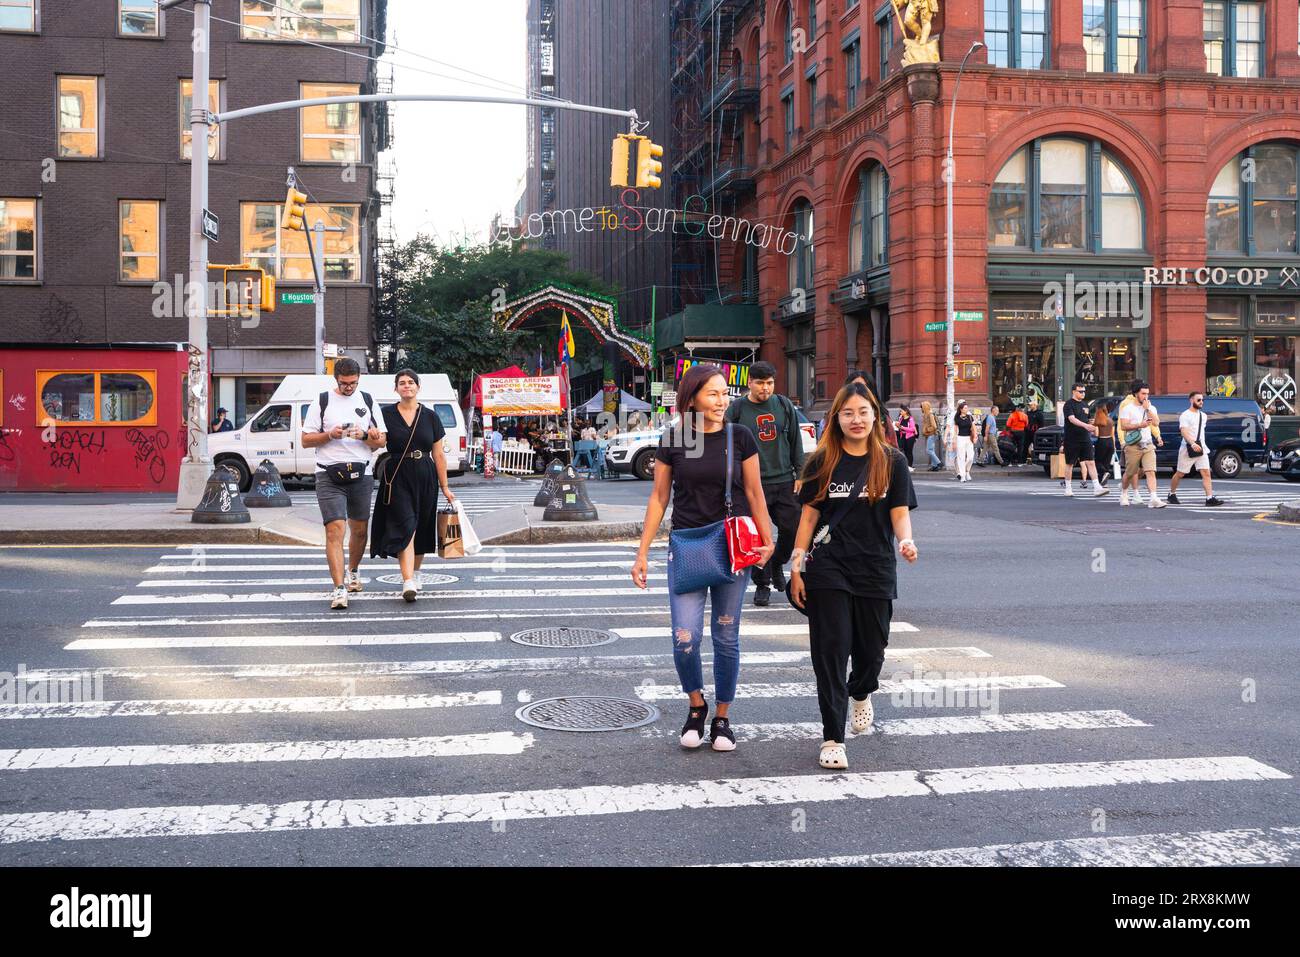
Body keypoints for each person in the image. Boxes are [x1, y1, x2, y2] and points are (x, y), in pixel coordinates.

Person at [631, 364, 775, 753]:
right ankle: (697, 706)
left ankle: (723, 718)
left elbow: (754, 492)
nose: (721, 399)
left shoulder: (739, 436)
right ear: (691, 397)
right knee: (685, 639)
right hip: (687, 546)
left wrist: (768, 539)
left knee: (726, 636)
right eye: (712, 393)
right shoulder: (675, 438)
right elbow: (659, 498)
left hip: (732, 550)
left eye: (725, 392)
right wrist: (642, 552)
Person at [788, 383, 918, 770]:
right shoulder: (821, 461)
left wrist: (906, 541)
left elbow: (899, 512)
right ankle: (832, 737)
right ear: (836, 419)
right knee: (830, 652)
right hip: (829, 568)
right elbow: (809, 517)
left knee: (871, 652)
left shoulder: (891, 461)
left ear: (875, 415)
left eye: (862, 412)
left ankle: (862, 691)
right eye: (848, 413)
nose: (856, 419)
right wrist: (796, 567)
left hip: (875, 566)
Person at [301, 357, 386, 610]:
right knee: (334, 530)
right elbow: (306, 440)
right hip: (328, 474)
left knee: (360, 530)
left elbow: (380, 442)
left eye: (353, 383)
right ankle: (339, 589)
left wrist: (367, 436)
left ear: (359, 379)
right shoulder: (322, 400)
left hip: (361, 473)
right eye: (344, 383)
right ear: (335, 379)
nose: (349, 387)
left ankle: (354, 570)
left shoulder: (368, 400)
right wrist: (329, 435)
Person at [370, 369, 457, 601]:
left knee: (422, 525)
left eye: (410, 382)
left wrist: (446, 487)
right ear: (396, 388)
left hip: (426, 475)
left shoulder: (430, 416)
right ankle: (407, 580)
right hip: (397, 474)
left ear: (418, 387)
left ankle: (415, 572)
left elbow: (439, 455)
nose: (406, 386)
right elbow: (376, 444)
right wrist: (371, 436)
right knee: (406, 524)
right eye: (402, 383)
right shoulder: (386, 414)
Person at [725, 361, 804, 608]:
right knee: (758, 536)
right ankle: (762, 583)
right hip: (750, 483)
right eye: (760, 383)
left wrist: (800, 472)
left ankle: (777, 561)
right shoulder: (737, 409)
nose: (765, 388)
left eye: (769, 383)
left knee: (792, 529)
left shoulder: (783, 404)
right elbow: (724, 441)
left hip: (783, 479)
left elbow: (795, 440)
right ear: (750, 382)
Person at [1168, 392, 1224, 507]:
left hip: (1201, 448)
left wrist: (1197, 444)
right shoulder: (1185, 415)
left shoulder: (1203, 416)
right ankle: (1171, 493)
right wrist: (1192, 443)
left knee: (1206, 473)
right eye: (1198, 400)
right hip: (1187, 448)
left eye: (1202, 400)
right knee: (1180, 473)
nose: (1201, 402)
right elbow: (1183, 431)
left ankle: (1209, 498)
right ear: (1191, 400)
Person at [1117, 380, 1166, 508]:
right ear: (1136, 393)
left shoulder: (1151, 407)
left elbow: (1156, 423)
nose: (1146, 396)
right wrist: (1140, 425)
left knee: (1151, 471)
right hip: (1133, 445)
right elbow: (1123, 426)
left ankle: (1154, 498)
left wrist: (1148, 409)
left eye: (1147, 394)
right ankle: (1124, 493)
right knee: (1129, 472)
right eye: (1143, 393)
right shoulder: (1127, 408)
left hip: (1148, 444)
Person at [1062, 384, 1107, 497]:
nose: (1083, 393)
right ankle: (1068, 488)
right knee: (1070, 464)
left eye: (1084, 391)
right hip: (1072, 438)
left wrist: (1091, 424)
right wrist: (1086, 426)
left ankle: (1097, 487)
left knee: (1090, 462)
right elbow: (1072, 419)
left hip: (1085, 438)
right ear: (1073, 392)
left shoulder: (1085, 404)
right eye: (1080, 391)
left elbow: (1086, 420)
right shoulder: (1068, 404)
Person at [1092, 401, 1117, 488]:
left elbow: (1096, 434)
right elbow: (1113, 434)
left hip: (1102, 441)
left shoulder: (1098, 421)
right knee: (1106, 462)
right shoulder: (1110, 420)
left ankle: (1105, 473)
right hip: (1110, 441)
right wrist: (1114, 446)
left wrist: (1092, 427)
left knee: (1098, 461)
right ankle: (1104, 483)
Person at [950, 400, 975, 481]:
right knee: (961, 457)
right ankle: (963, 476)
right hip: (960, 438)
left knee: (970, 457)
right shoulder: (956, 418)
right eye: (965, 408)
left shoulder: (970, 417)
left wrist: (975, 436)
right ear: (961, 409)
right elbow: (955, 430)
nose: (967, 409)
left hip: (969, 438)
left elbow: (973, 427)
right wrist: (954, 441)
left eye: (967, 408)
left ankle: (967, 471)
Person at [921, 399, 942, 470]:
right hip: (930, 435)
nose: (921, 409)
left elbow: (934, 426)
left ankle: (938, 463)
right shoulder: (926, 415)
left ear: (925, 407)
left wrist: (926, 430)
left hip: (932, 434)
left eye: (922, 407)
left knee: (929, 450)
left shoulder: (930, 415)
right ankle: (934, 466)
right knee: (931, 450)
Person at [896, 406, 918, 470]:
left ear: (906, 411)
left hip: (910, 437)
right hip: (902, 436)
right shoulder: (900, 418)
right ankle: (906, 465)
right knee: (903, 451)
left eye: (901, 411)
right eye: (900, 411)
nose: (900, 412)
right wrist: (897, 426)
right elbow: (899, 427)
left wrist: (902, 427)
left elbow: (912, 429)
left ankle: (910, 466)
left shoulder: (910, 419)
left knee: (909, 451)